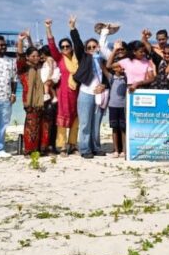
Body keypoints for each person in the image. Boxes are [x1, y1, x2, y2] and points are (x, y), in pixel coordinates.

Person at [70, 16, 109, 159]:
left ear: (98, 47)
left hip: (100, 95)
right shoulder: (84, 57)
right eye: (89, 47)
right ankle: (85, 149)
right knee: (85, 123)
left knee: (96, 123)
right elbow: (77, 44)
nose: (92, 49)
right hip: (86, 94)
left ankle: (96, 147)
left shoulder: (102, 59)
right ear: (86, 49)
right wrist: (73, 28)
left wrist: (104, 85)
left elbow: (108, 74)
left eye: (94, 46)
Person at [47, 18, 80, 155]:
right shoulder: (60, 58)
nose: (65, 48)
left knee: (76, 119)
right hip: (63, 93)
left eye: (67, 46)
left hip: (77, 92)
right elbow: (51, 46)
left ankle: (73, 145)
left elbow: (79, 44)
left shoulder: (77, 58)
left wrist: (72, 27)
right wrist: (48, 28)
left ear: (71, 47)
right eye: (63, 47)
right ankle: (62, 147)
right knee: (62, 119)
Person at [16, 35, 51, 156]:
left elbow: (35, 51)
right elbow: (20, 55)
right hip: (30, 102)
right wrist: (20, 41)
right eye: (33, 56)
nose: (36, 58)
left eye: (37, 56)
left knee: (44, 125)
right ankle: (30, 150)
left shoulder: (40, 66)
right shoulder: (23, 68)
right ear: (27, 57)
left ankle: (42, 149)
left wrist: (30, 39)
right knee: (31, 126)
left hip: (43, 100)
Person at [107, 46, 129, 158]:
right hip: (113, 106)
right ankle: (116, 150)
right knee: (114, 128)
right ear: (114, 68)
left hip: (124, 106)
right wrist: (114, 51)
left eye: (122, 67)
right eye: (118, 67)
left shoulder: (126, 78)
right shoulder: (111, 77)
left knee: (123, 128)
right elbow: (107, 66)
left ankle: (124, 150)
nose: (120, 68)